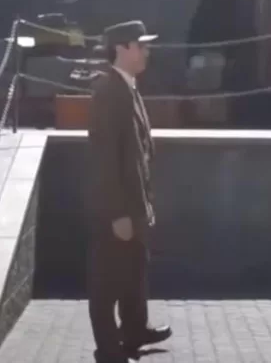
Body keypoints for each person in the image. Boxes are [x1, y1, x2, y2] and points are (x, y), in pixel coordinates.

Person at [86, 20, 172, 363]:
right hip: (116, 209)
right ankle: (108, 351)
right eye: (141, 44)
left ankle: (135, 330)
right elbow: (104, 158)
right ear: (122, 48)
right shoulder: (109, 92)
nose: (147, 50)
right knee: (106, 283)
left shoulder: (128, 88)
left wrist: (144, 204)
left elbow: (139, 154)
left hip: (135, 204)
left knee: (135, 271)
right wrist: (118, 212)